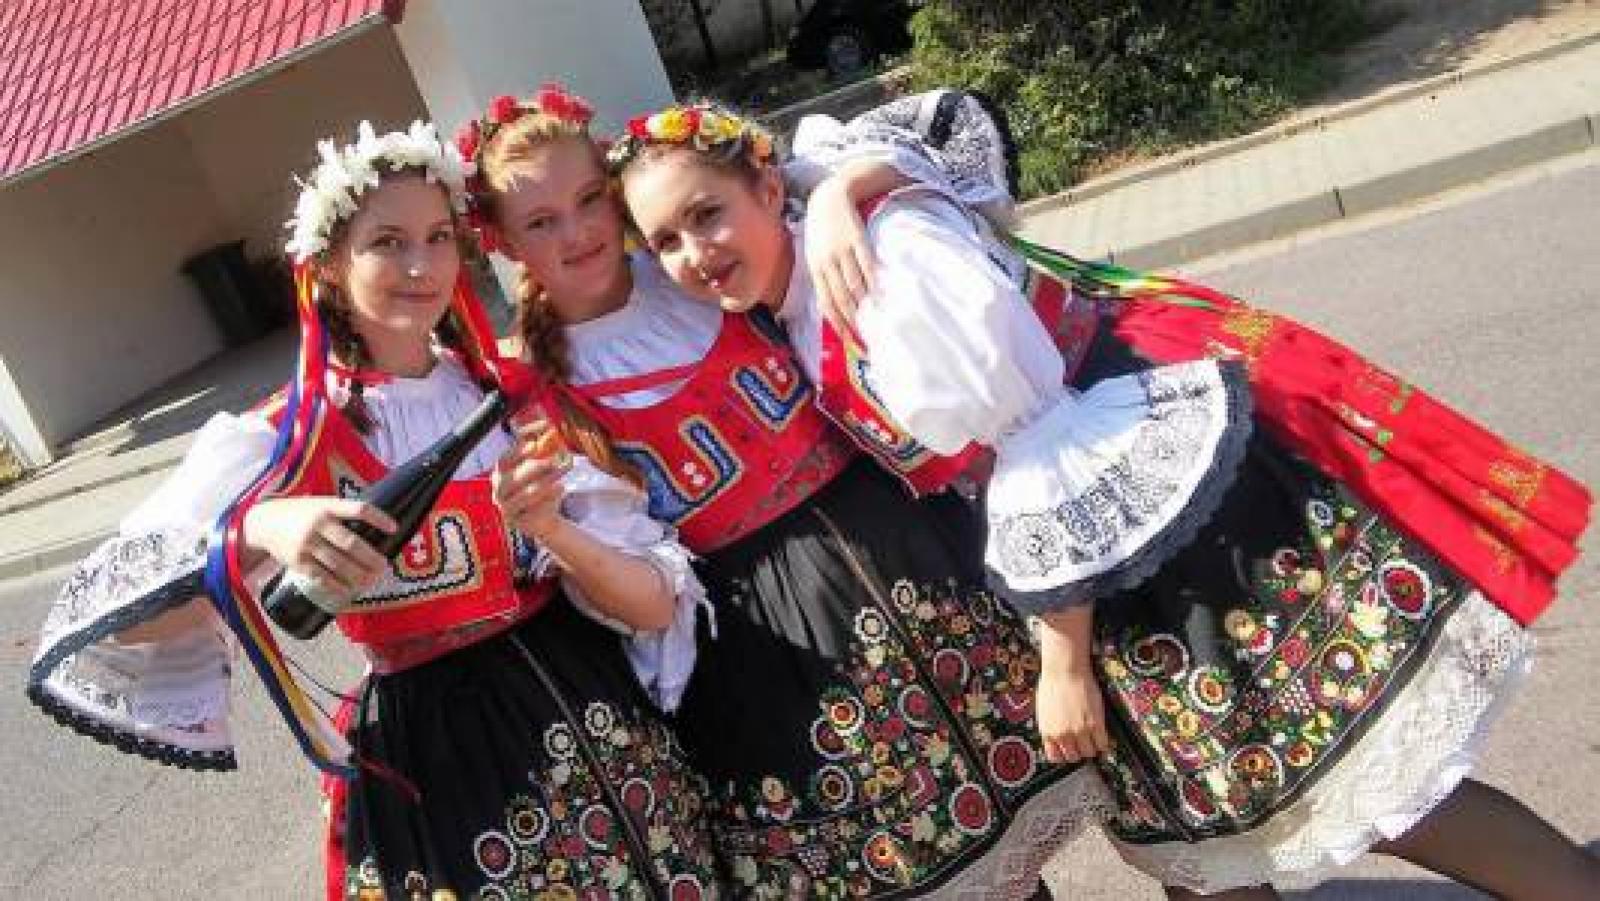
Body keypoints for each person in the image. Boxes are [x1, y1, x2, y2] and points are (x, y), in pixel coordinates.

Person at [606, 97, 1600, 900]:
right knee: (1200, 829)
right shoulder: (798, 284)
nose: (694, 251)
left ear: (766, 185)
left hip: (1146, 527)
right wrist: (844, 185)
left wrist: (1064, 661)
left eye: (707, 213)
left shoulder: (887, 268)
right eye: (667, 240)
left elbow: (1043, 444)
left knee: (1344, 779)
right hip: (1092, 556)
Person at [25, 121, 724, 900]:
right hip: (437, 756)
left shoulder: (509, 397)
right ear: (329, 264)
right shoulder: (290, 434)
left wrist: (556, 529)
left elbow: (652, 599)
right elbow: (118, 625)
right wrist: (260, 526)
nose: (421, 266)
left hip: (592, 708)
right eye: (388, 242)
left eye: (437, 238)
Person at [456, 86, 1116, 899]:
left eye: (590, 199)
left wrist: (839, 194)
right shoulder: (537, 392)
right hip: (778, 659)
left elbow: (842, 165)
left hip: (914, 566)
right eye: (540, 221)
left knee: (1011, 851)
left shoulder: (699, 263)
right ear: (501, 241)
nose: (578, 231)